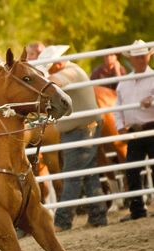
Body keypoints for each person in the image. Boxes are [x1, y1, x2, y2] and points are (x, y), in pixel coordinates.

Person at [37, 45, 108, 231]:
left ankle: (63, 221)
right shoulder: (72, 70)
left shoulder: (70, 72)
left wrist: (39, 80)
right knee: (87, 173)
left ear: (58, 63)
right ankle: (98, 215)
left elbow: (54, 82)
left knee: (71, 175)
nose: (49, 71)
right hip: (81, 129)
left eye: (50, 67)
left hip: (82, 130)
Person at [114, 40, 154, 222]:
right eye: (137, 57)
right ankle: (137, 210)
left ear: (148, 57)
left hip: (151, 128)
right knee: (132, 170)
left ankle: (139, 209)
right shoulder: (124, 83)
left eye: (143, 56)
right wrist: (120, 126)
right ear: (132, 59)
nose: (140, 60)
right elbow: (118, 107)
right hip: (134, 131)